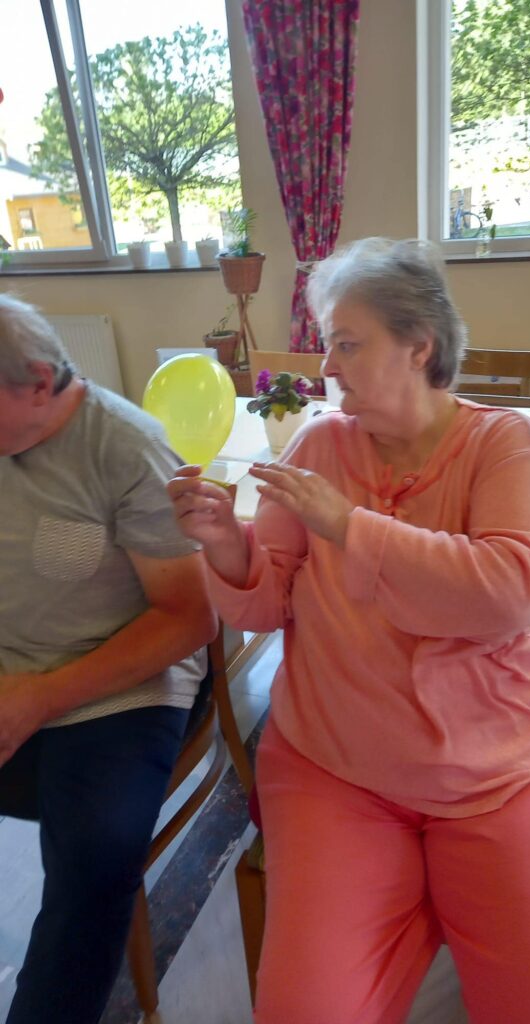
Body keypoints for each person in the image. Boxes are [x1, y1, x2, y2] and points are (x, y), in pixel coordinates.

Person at [168, 238, 530, 1024]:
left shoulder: (505, 443)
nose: (327, 366)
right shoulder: (318, 444)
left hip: (496, 777)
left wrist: (350, 525)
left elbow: (511, 593)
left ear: (419, 345)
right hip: (337, 773)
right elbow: (263, 604)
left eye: (348, 344)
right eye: (329, 344)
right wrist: (224, 544)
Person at [0, 294, 217, 1024]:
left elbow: (189, 618)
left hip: (120, 687)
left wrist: (41, 695)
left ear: (38, 383)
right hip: (14, 669)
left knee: (95, 855)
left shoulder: (125, 447)